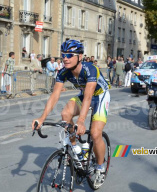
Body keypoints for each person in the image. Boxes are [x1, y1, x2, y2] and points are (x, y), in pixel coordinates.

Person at [31, 40, 111, 188]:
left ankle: (100, 167)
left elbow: (88, 97)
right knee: (65, 113)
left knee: (95, 133)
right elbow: (54, 95)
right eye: (63, 55)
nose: (65, 58)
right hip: (85, 96)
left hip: (99, 96)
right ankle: (76, 149)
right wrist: (41, 118)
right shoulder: (63, 72)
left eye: (69, 55)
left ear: (80, 56)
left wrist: (81, 121)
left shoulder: (90, 69)